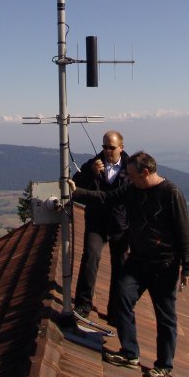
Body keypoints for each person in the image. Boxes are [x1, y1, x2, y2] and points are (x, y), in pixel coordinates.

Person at [69, 151, 189, 377]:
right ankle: (130, 353)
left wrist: (187, 267)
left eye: (132, 175)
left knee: (165, 316)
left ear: (145, 172)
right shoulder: (132, 189)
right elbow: (105, 198)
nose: (128, 178)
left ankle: (164, 365)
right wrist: (76, 191)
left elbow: (184, 232)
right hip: (138, 260)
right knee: (121, 299)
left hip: (164, 265)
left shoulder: (171, 193)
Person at [72, 130, 130, 325]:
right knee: (90, 256)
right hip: (96, 220)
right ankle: (83, 304)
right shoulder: (93, 165)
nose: (106, 151)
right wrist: (90, 173)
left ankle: (115, 311)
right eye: (104, 147)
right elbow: (75, 186)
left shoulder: (131, 168)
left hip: (120, 223)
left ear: (121, 148)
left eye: (111, 148)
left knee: (120, 265)